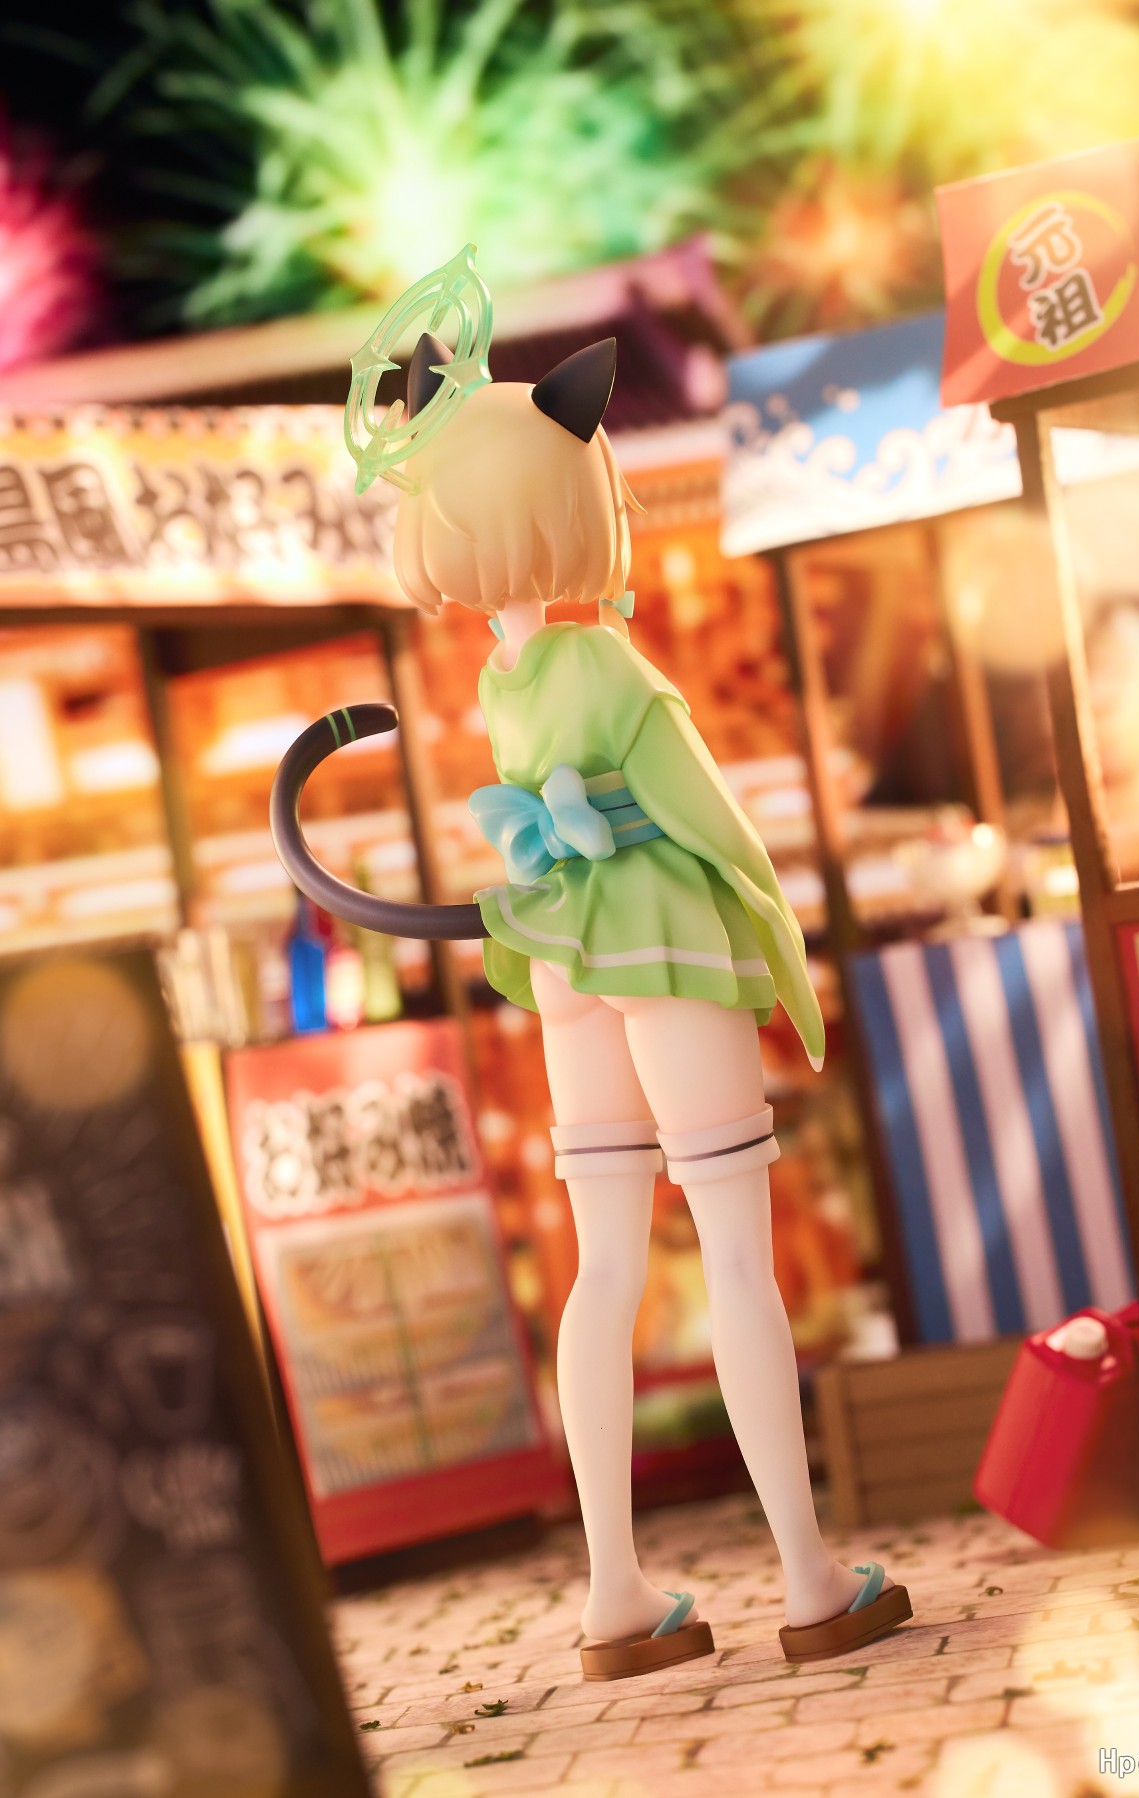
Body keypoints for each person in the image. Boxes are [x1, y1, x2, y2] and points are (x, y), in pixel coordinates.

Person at [383, 310, 911, 1679]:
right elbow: (713, 823)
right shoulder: (605, 662)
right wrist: (781, 950)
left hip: (568, 957)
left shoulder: (503, 674)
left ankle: (614, 1593)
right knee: (733, 1249)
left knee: (604, 1264)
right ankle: (810, 1578)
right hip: (660, 945)